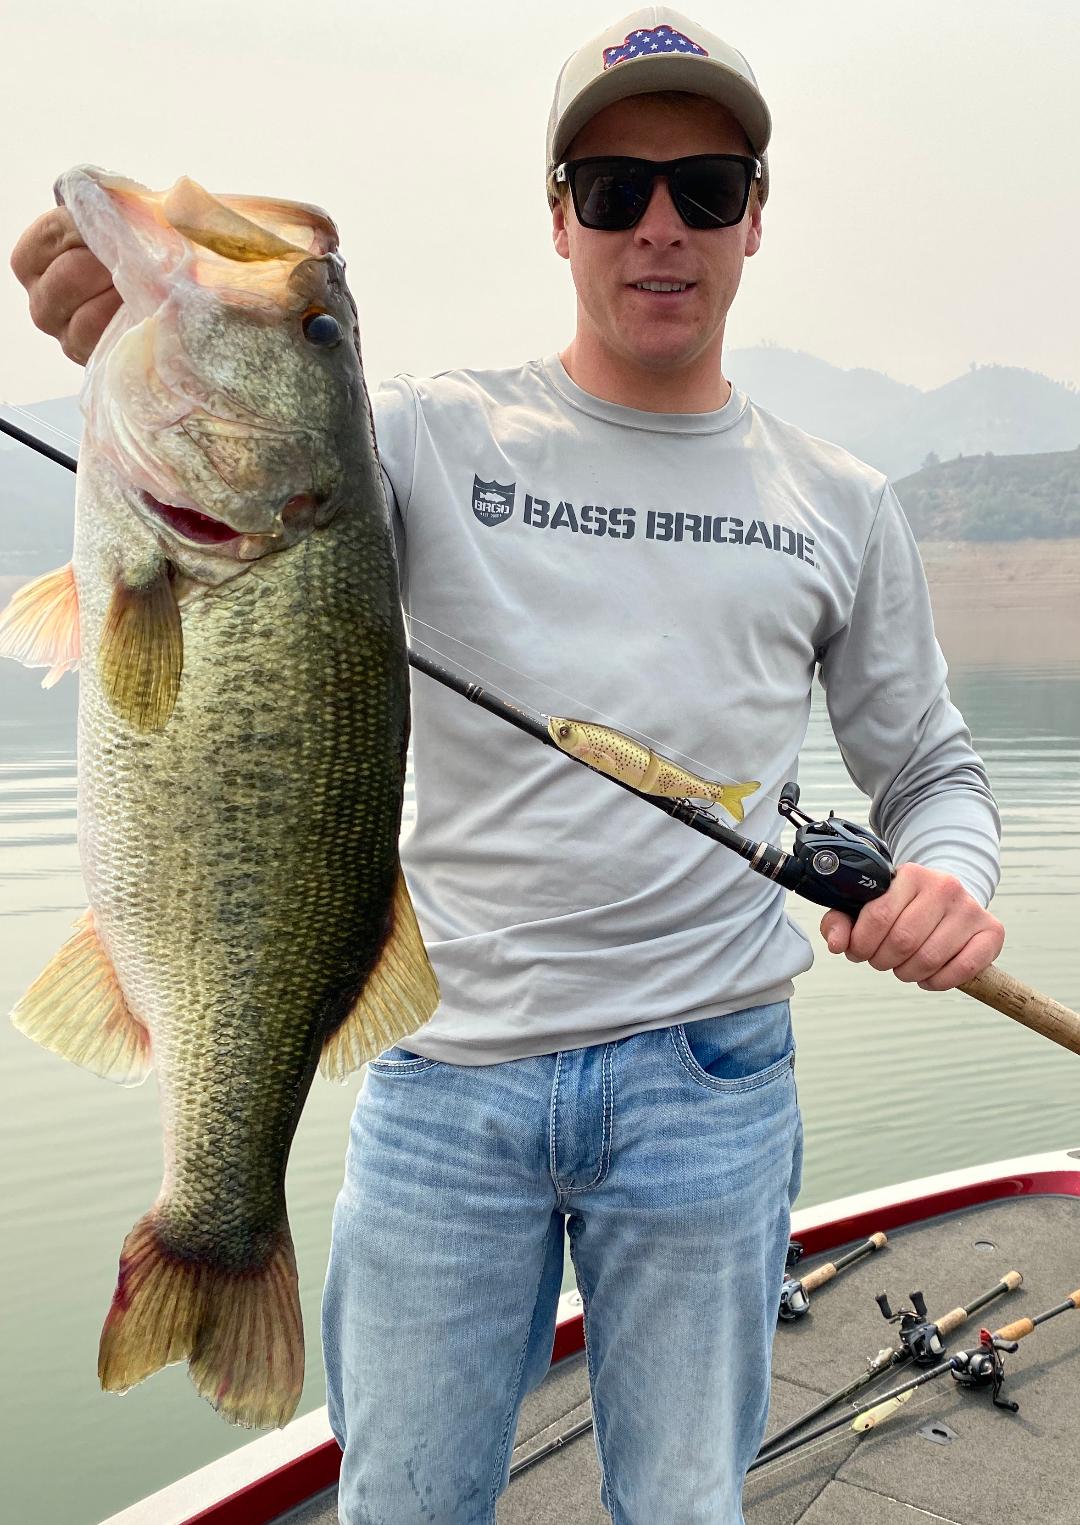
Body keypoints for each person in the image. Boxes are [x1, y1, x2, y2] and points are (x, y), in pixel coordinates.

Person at [11, 9, 1005, 1522]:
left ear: (755, 218)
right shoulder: (416, 439)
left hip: (712, 1083)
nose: (659, 227)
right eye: (614, 189)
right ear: (558, 218)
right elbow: (263, 458)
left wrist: (951, 875)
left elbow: (929, 762)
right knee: (403, 1503)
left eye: (707, 187)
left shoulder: (843, 499)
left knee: (682, 1505)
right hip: (442, 1075)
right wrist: (128, 317)